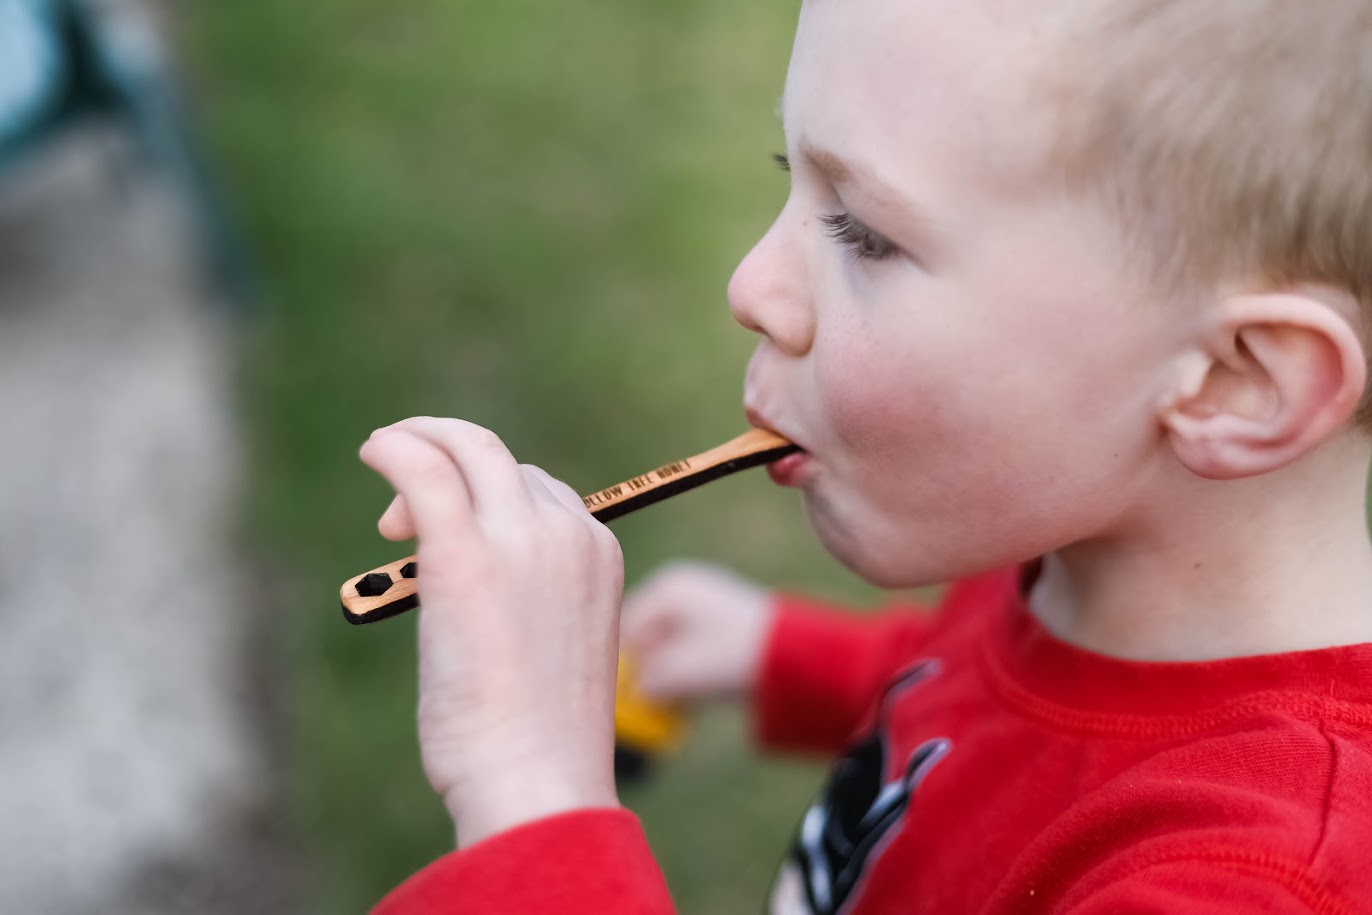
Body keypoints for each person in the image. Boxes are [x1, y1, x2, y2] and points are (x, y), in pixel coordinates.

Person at [364, 0, 1372, 911]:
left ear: (1233, 382)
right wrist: (782, 657)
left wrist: (532, 792)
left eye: (867, 233)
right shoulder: (1072, 552)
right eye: (787, 178)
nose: (752, 283)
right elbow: (996, 710)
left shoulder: (1254, 882)